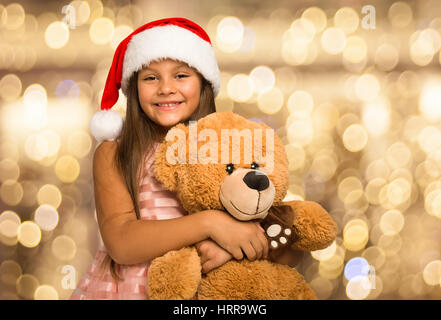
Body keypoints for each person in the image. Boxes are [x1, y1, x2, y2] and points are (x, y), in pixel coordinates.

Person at [69, 17, 269, 300]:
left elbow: (261, 226)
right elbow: (121, 242)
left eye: (181, 75)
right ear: (134, 87)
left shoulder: (227, 148)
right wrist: (210, 224)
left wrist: (227, 248)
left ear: (203, 82)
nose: (166, 88)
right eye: (151, 77)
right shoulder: (115, 152)